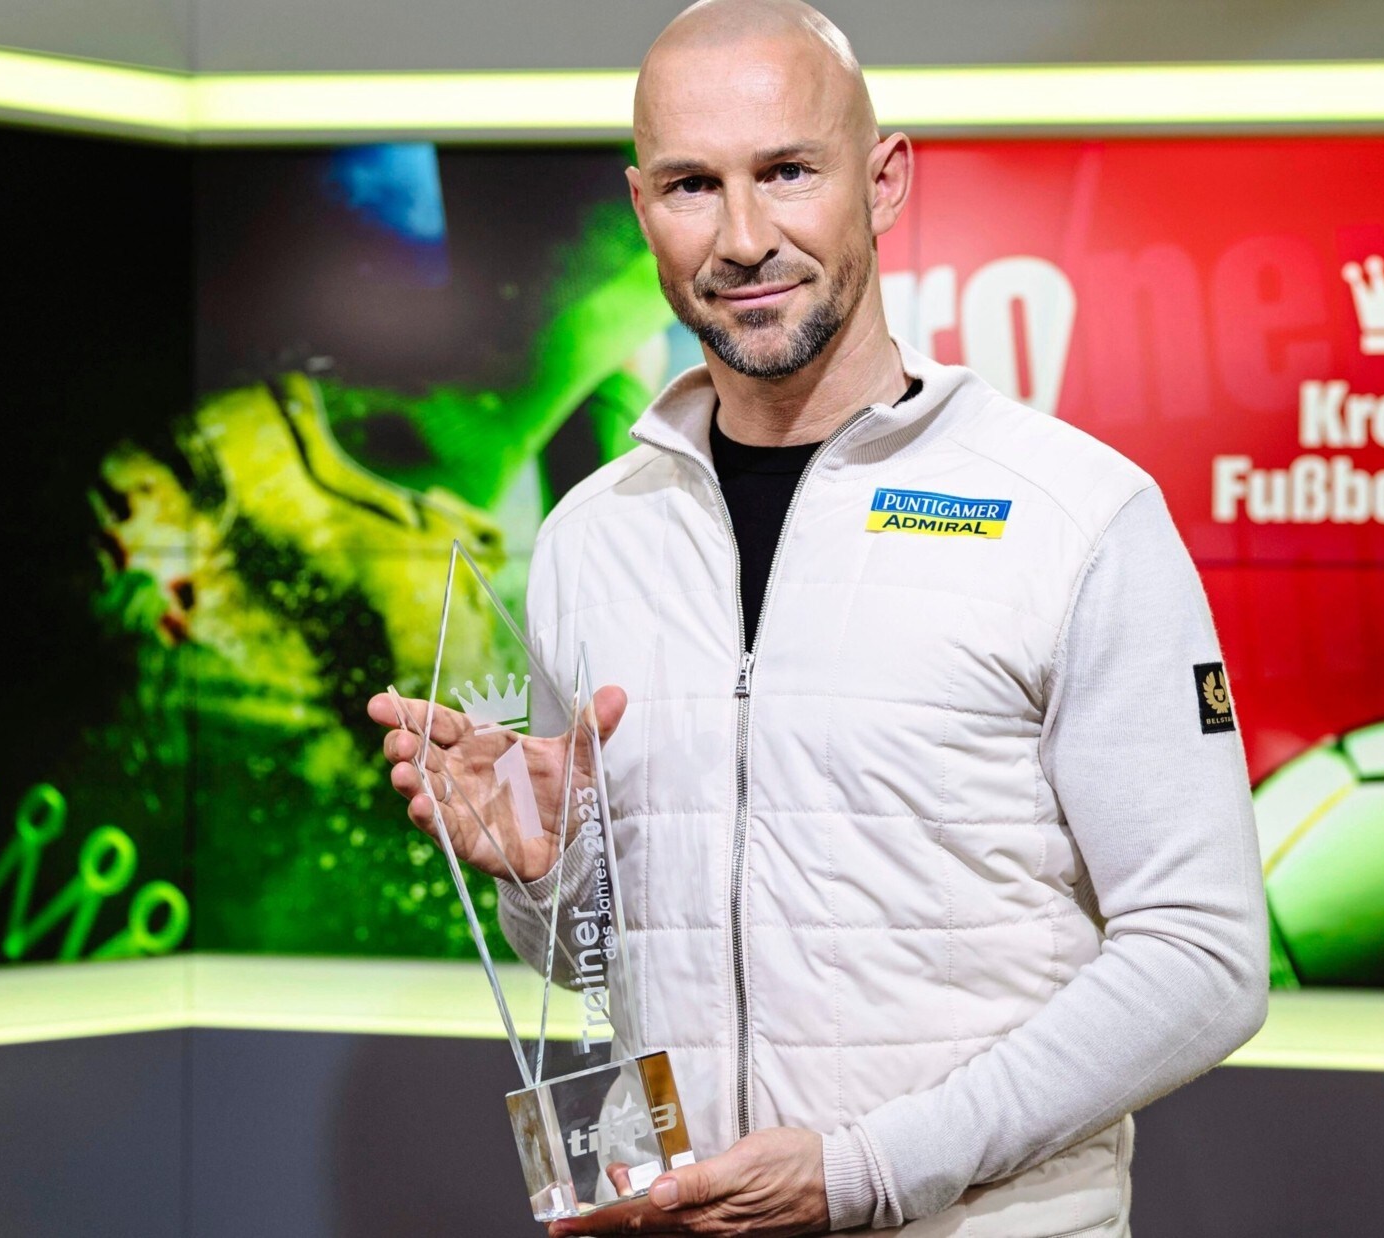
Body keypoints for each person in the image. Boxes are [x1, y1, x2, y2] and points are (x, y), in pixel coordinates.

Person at [368, 1, 1266, 1232]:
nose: (743, 236)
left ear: (883, 180)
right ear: (642, 210)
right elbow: (617, 956)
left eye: (788, 171)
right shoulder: (592, 534)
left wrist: (869, 1169)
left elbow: (1203, 960)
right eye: (692, 185)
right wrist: (545, 869)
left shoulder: (1075, 513)